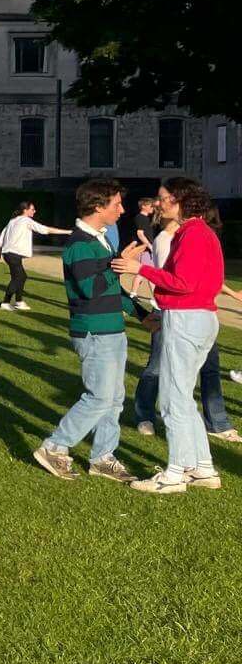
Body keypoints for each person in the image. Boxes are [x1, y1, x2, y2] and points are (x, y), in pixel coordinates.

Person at [113, 177, 226, 494]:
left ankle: (174, 473)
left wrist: (139, 269)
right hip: (197, 317)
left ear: (180, 201)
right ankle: (203, 468)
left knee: (173, 399)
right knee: (183, 396)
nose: (158, 204)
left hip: (187, 318)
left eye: (163, 198)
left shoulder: (193, 234)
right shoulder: (199, 233)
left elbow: (183, 283)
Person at [31, 179, 143, 485]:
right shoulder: (80, 244)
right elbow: (90, 288)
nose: (122, 210)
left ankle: (102, 457)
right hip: (94, 332)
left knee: (115, 399)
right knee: (100, 397)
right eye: (116, 204)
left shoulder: (100, 240)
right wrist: (119, 265)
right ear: (97, 206)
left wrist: (143, 315)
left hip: (112, 330)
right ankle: (55, 446)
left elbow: (112, 290)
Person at [133, 207, 238, 442]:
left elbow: (203, 276)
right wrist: (139, 270)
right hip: (171, 311)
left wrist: (231, 293)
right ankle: (145, 415)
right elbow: (174, 279)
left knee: (210, 367)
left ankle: (217, 422)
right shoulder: (166, 239)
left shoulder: (195, 236)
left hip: (196, 313)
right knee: (157, 366)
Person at [0, 201, 70, 310]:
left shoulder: (12, 221)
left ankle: (19, 301)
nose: (34, 211)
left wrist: (0, 249)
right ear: (25, 210)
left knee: (21, 277)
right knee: (18, 277)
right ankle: (6, 302)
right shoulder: (26, 220)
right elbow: (45, 230)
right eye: (32, 209)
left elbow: (2, 235)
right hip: (12, 254)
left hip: (9, 254)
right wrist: (67, 232)